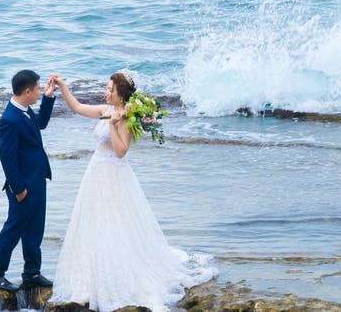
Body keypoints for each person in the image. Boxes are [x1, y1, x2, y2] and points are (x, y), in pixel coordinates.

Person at [48, 72, 216, 311]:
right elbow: (77, 107)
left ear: (120, 94)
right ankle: (92, 275)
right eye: (107, 88)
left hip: (113, 174)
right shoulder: (105, 109)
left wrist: (114, 124)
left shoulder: (127, 117)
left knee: (114, 224)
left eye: (110, 89)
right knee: (94, 223)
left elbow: (120, 151)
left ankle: (118, 274)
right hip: (95, 172)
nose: (106, 92)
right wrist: (62, 86)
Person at [0, 69, 58, 293]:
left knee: (35, 228)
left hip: (37, 180)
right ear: (27, 91)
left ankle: (32, 273)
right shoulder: (10, 120)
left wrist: (48, 98)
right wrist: (18, 189)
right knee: (13, 229)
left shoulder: (25, 111)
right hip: (23, 185)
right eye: (38, 89)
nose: (38, 92)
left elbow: (41, 123)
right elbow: (7, 159)